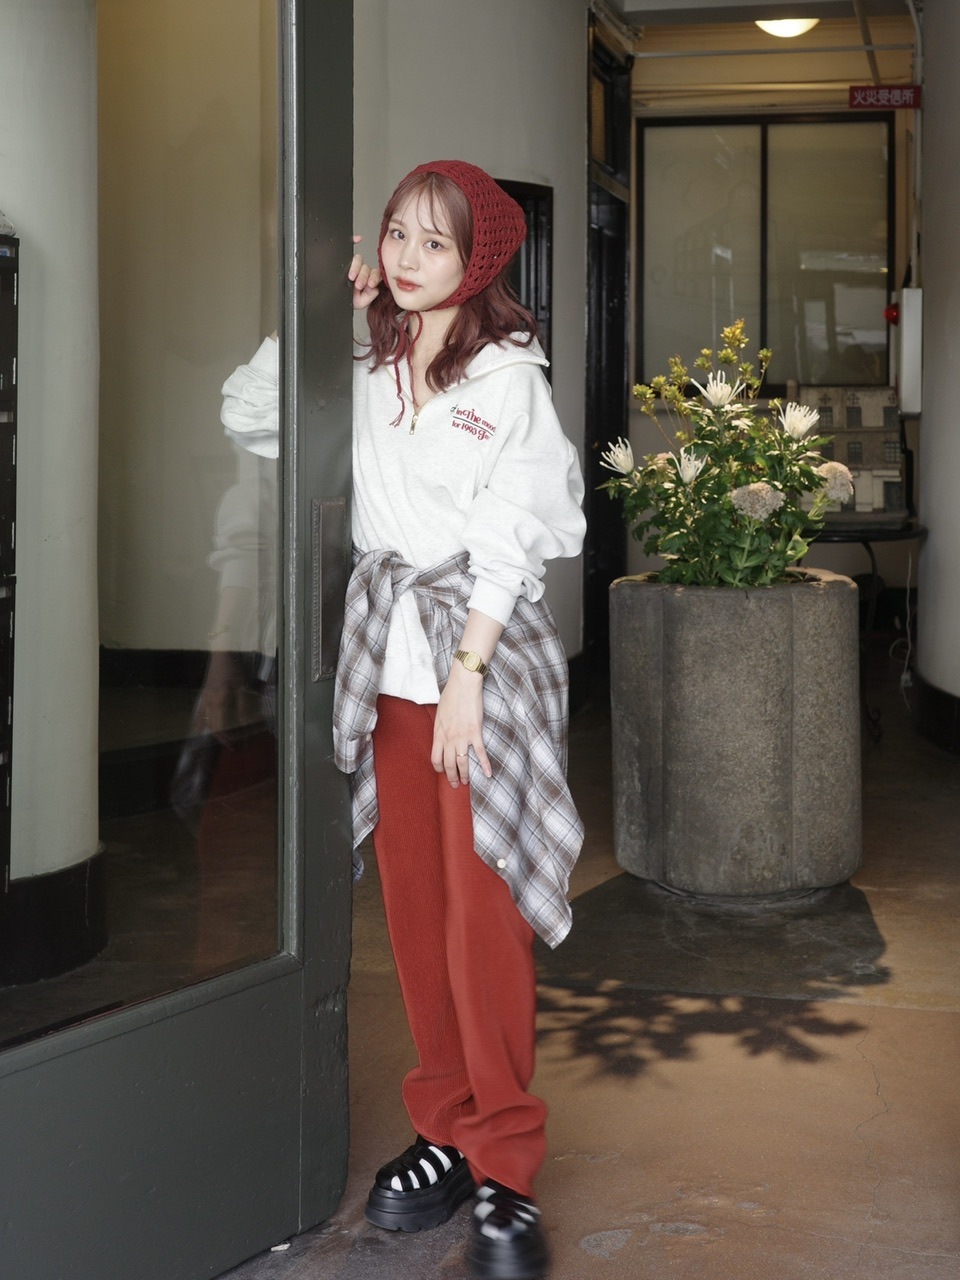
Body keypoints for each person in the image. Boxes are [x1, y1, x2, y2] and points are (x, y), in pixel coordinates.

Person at [335, 160, 586, 1280]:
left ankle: (507, 1168)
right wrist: (324, 314)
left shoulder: (507, 377)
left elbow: (521, 527)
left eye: (433, 242)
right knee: (416, 909)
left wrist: (471, 673)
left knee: (484, 917)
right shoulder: (368, 358)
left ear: (476, 261)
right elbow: (252, 410)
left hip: (477, 666)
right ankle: (443, 1126)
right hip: (393, 671)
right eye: (396, 233)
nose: (406, 257)